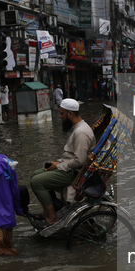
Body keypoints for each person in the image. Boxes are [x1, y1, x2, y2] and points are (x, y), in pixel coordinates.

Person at [30, 98, 96, 229]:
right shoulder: (77, 128)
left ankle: (52, 218)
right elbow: (72, 155)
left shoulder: (81, 132)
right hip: (70, 168)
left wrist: (58, 166)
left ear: (70, 114)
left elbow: (79, 160)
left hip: (75, 173)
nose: (60, 116)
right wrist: (57, 162)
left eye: (62, 113)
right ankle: (47, 212)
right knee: (35, 174)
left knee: (37, 182)